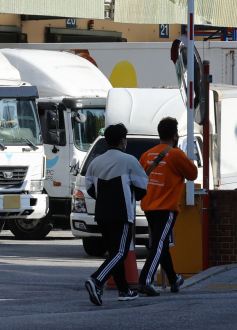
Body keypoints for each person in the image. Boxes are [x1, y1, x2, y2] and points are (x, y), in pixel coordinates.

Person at [83, 123, 149, 305]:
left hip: (102, 213)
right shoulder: (129, 161)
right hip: (122, 213)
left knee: (114, 252)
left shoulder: (95, 162)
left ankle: (124, 290)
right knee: (121, 252)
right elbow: (143, 187)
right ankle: (96, 280)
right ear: (123, 141)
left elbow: (89, 188)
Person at [136, 116, 199, 296]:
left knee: (160, 244)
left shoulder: (146, 155)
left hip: (148, 206)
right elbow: (193, 174)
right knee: (158, 245)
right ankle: (146, 280)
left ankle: (173, 279)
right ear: (175, 135)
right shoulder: (176, 154)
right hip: (166, 208)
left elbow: (140, 179)